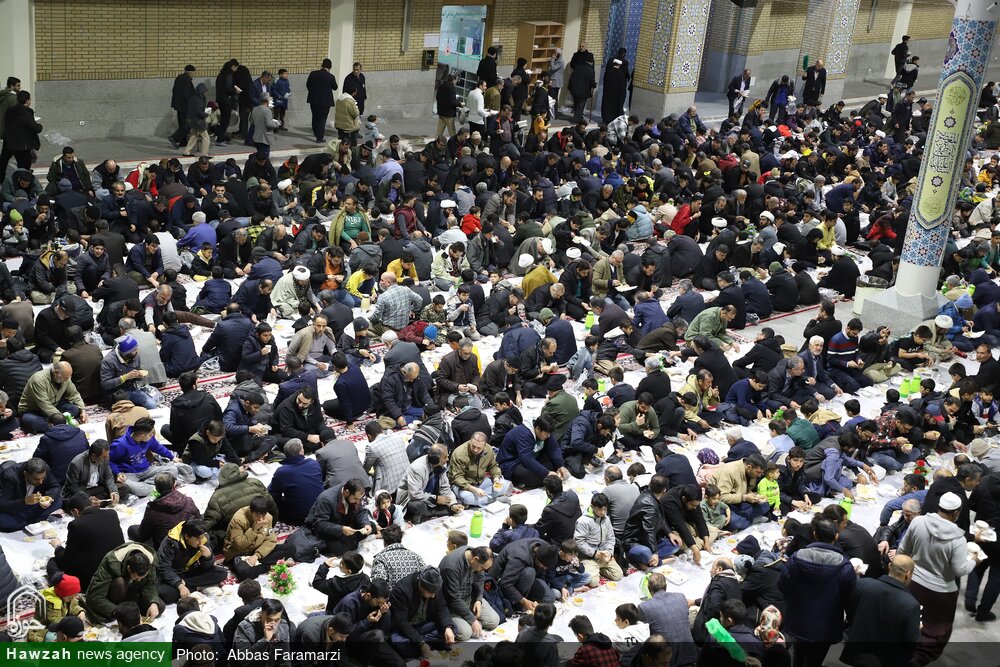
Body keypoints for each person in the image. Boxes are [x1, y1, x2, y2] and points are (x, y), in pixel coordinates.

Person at [898, 491, 979, 665]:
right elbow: (959, 570)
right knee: (935, 628)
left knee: (909, 619)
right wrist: (974, 560)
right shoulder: (958, 539)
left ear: (938, 507)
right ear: (956, 512)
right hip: (942, 592)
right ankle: (919, 658)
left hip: (913, 582)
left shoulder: (918, 522)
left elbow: (903, 550)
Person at [779, 516, 856, 667]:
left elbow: (782, 585)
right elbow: (850, 598)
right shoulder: (844, 566)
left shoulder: (797, 557)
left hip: (798, 619)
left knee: (798, 656)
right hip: (826, 625)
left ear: (814, 534)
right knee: (815, 661)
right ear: (836, 536)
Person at [841, 555, 920, 667]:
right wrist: (918, 628)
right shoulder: (911, 604)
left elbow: (849, 610)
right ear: (908, 574)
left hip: (858, 650)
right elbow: (912, 641)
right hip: (886, 658)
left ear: (889, 566)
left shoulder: (862, 584)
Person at [85, 542, 164, 624]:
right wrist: (120, 611)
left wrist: (153, 602)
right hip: (115, 596)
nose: (139, 580)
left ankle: (131, 611)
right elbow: (96, 597)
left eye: (142, 578)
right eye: (136, 578)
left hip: (133, 594)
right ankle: (122, 612)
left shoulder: (150, 563)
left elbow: (150, 586)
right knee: (120, 583)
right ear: (129, 568)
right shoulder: (111, 561)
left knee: (159, 606)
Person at [110, 417, 191, 497]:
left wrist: (172, 457)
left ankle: (151, 485)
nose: (152, 436)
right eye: (150, 435)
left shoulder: (148, 439)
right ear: (142, 436)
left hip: (147, 469)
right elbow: (110, 461)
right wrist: (118, 473)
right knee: (133, 488)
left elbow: (158, 447)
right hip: (130, 474)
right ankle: (158, 486)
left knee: (173, 469)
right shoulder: (120, 444)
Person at [388, 567, 457, 660]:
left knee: (453, 629)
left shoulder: (436, 585)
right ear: (421, 586)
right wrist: (420, 643)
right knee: (398, 642)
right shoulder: (402, 590)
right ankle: (429, 645)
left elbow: (442, 607)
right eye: (430, 593)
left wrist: (447, 627)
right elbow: (401, 622)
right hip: (408, 628)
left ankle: (425, 645)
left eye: (435, 593)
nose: (433, 596)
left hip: (425, 625)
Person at [155, 519, 228, 604]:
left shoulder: (203, 539)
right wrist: (179, 584)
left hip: (190, 573)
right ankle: (193, 587)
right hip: (174, 574)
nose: (201, 541)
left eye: (202, 537)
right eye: (198, 539)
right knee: (164, 594)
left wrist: (208, 557)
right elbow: (163, 568)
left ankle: (188, 587)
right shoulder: (170, 542)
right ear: (187, 536)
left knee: (222, 573)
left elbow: (206, 567)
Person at [637, 573, 699, 667]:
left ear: (649, 589)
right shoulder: (680, 597)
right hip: (690, 653)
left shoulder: (644, 607)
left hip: (666, 658)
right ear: (666, 586)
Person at [128, 472, 200, 547]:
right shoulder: (188, 500)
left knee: (132, 529)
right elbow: (198, 519)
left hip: (167, 545)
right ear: (174, 486)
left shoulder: (153, 509)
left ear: (156, 488)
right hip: (189, 539)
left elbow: (143, 534)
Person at [497, 416, 571, 489]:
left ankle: (547, 477)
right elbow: (527, 459)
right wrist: (546, 473)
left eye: (549, 434)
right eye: (546, 434)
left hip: (532, 456)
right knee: (527, 475)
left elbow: (554, 448)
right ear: (537, 429)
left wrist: (560, 466)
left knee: (555, 462)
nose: (548, 436)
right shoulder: (524, 434)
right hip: (512, 463)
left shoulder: (545, 430)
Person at [396, 444, 463, 523]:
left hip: (431, 496)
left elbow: (445, 488)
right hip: (412, 498)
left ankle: (428, 514)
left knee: (457, 503)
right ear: (435, 459)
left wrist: (452, 504)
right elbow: (414, 494)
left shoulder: (442, 465)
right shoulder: (418, 468)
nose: (447, 459)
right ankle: (430, 513)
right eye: (445, 457)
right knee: (419, 506)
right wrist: (436, 499)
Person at [490, 537, 559, 612]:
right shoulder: (520, 556)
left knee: (549, 598)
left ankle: (526, 600)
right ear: (537, 557)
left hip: (526, 580)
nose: (544, 568)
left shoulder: (544, 548)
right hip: (505, 581)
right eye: (543, 566)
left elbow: (541, 575)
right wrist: (522, 600)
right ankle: (518, 604)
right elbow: (505, 583)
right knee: (530, 572)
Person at [18, 362, 87, 434]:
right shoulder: (38, 380)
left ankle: (54, 424)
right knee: (31, 421)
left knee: (75, 409)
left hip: (54, 405)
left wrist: (82, 410)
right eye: (65, 378)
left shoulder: (66, 378)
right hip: (34, 410)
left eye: (68, 378)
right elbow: (45, 405)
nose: (67, 380)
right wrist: (61, 420)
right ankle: (57, 424)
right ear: (56, 372)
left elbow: (74, 394)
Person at [268, 439, 324, 526]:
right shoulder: (313, 463)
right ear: (301, 452)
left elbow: (273, 492)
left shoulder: (282, 471)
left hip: (299, 517)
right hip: (322, 509)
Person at [0, 457, 63, 532]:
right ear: (25, 474)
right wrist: (24, 501)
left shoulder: (45, 470)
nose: (41, 482)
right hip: (16, 508)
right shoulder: (9, 476)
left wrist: (48, 497)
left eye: (43, 478)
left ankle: (27, 522)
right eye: (36, 479)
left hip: (35, 506)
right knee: (3, 520)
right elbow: (2, 504)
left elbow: (55, 486)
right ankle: (33, 520)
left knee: (59, 500)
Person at [449, 431, 507, 507]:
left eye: (479, 448)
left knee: (506, 485)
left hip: (480, 481)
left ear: (484, 445)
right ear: (470, 441)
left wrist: (496, 479)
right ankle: (495, 500)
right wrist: (473, 489)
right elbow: (457, 478)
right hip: (463, 485)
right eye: (473, 446)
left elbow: (493, 466)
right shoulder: (459, 453)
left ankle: (482, 500)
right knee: (467, 498)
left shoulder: (488, 449)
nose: (475, 450)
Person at [306, 58, 338, 143]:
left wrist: (313, 92)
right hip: (325, 101)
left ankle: (316, 132)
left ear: (322, 65)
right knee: (322, 119)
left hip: (313, 99)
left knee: (315, 116)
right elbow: (335, 87)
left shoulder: (313, 74)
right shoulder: (330, 76)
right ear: (330, 67)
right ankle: (319, 138)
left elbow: (308, 85)